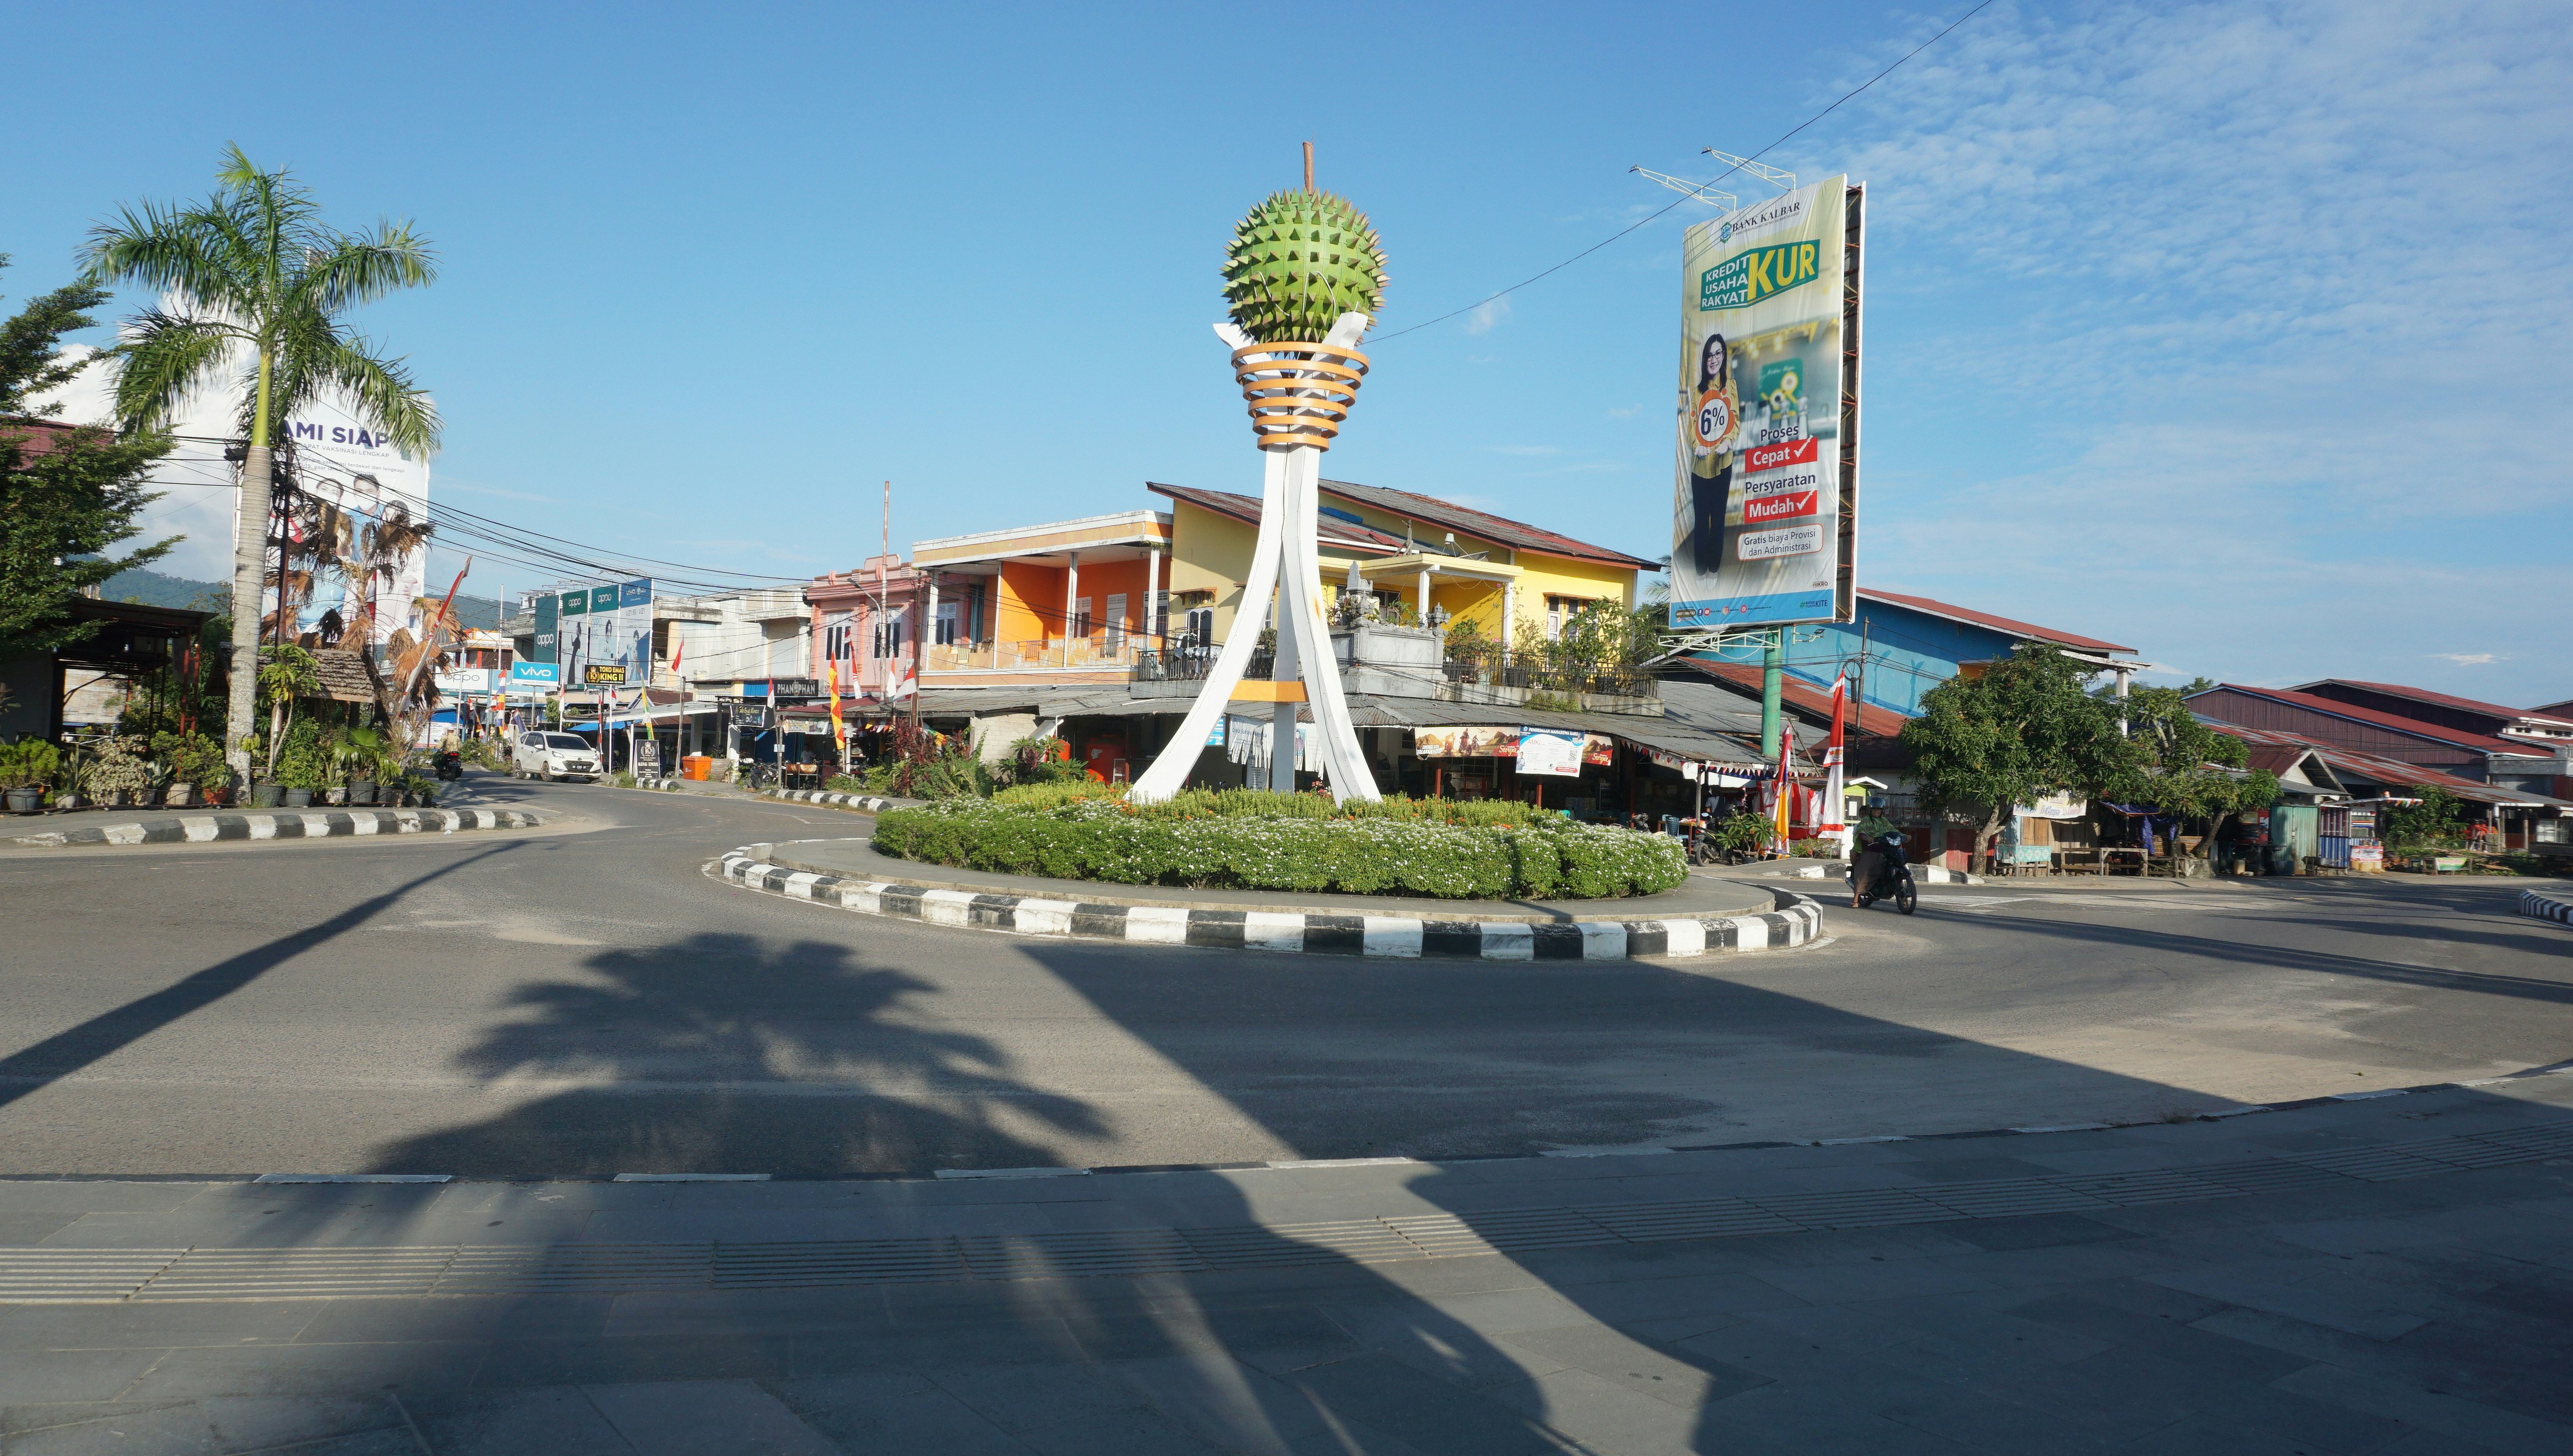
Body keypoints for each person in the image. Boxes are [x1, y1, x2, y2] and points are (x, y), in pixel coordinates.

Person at [1851, 827, 1907, 907]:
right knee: (1865, 873)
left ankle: (1902, 899)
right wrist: (1866, 838)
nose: (1877, 814)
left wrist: (1904, 836)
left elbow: (1894, 831)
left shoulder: (1884, 823)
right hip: (1870, 850)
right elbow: (1861, 833)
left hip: (1885, 849)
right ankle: (1856, 898)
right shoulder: (1865, 823)